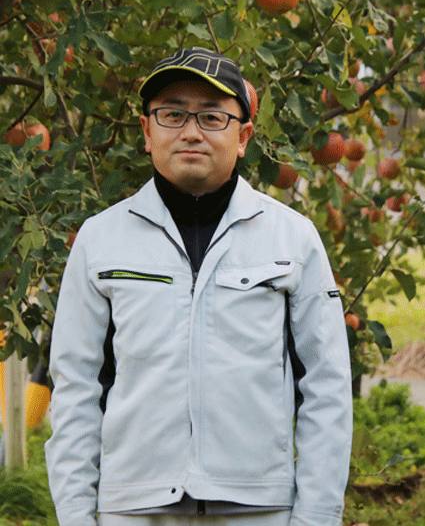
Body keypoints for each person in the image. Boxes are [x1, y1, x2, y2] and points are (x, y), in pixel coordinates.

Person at [45, 47, 353, 526]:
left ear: (244, 136)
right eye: (172, 114)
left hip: (259, 509)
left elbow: (327, 386)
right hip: (132, 509)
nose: (191, 131)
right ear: (147, 132)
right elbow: (75, 389)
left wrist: (315, 516)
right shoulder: (100, 239)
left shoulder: (292, 238)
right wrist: (77, 516)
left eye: (212, 116)